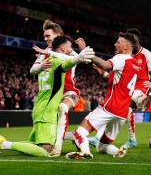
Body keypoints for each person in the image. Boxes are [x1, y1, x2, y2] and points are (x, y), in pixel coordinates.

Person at [0, 36, 94, 157]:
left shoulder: (44, 62)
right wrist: (78, 58)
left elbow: (33, 71)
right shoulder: (56, 61)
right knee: (45, 150)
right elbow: (68, 62)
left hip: (39, 107)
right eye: (69, 47)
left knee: (36, 144)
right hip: (47, 111)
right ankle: (4, 144)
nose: (71, 50)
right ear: (63, 47)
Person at [65, 32, 141, 159]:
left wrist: (85, 50)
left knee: (80, 132)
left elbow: (106, 65)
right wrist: (104, 72)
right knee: (102, 146)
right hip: (122, 113)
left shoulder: (121, 57)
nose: (115, 44)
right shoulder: (136, 65)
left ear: (126, 46)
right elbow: (119, 80)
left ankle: (84, 152)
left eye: (118, 42)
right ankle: (117, 151)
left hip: (110, 107)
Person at [88, 28, 151, 148]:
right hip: (128, 87)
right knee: (115, 108)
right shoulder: (124, 56)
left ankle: (100, 137)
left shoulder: (147, 54)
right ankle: (131, 139)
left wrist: (150, 95)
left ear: (137, 40)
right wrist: (103, 73)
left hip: (142, 87)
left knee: (126, 107)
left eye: (134, 39)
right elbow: (117, 76)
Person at [31, 19, 88, 157]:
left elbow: (85, 59)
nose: (45, 39)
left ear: (58, 35)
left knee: (62, 108)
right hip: (52, 94)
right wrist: (40, 67)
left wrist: (83, 50)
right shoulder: (43, 53)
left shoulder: (67, 49)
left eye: (48, 36)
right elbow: (32, 70)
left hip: (69, 91)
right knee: (52, 128)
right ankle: (74, 136)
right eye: (44, 36)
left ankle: (57, 147)